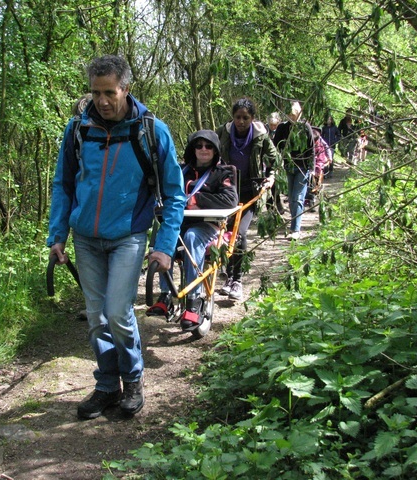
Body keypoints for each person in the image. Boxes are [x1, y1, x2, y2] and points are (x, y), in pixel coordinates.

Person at [47, 55, 186, 420]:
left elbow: (174, 195)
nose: (103, 101)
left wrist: (164, 246)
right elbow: (63, 184)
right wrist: (57, 235)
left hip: (128, 236)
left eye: (110, 92)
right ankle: (107, 384)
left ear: (126, 88)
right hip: (86, 238)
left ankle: (134, 380)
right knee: (96, 317)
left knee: (117, 313)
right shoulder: (79, 129)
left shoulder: (152, 130)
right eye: (96, 93)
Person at [147, 130, 238, 329]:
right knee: (166, 236)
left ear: (215, 150)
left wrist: (197, 200)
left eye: (208, 146)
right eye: (199, 146)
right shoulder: (180, 171)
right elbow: (165, 196)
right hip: (180, 225)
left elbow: (230, 200)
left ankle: (194, 301)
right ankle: (166, 296)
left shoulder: (224, 172)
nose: (203, 150)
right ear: (192, 149)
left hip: (209, 227)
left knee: (191, 236)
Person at [216, 97, 279, 301]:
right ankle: (227, 276)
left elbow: (275, 159)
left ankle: (237, 280)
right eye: (237, 117)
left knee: (240, 234)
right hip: (226, 192)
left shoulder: (260, 135)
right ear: (232, 117)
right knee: (223, 234)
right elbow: (209, 152)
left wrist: (271, 176)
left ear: (252, 118)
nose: (241, 122)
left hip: (249, 192)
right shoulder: (223, 133)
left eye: (245, 118)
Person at [273, 100, 314, 240]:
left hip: (302, 167)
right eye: (289, 114)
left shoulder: (305, 127)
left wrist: (312, 168)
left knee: (297, 198)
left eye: (294, 114)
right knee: (291, 198)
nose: (291, 117)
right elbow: (274, 146)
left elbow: (311, 148)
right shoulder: (282, 128)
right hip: (288, 166)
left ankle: (295, 229)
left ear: (299, 114)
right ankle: (293, 222)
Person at [304, 126, 332, 211]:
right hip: (309, 164)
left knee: (316, 183)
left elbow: (327, 148)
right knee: (308, 182)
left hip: (319, 164)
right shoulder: (307, 140)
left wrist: (329, 158)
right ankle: (307, 199)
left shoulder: (321, 141)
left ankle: (312, 200)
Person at [265, 112, 284, 213]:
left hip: (277, 162)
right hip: (265, 163)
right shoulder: (264, 131)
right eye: (271, 124)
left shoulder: (281, 130)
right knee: (266, 185)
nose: (273, 127)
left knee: (276, 186)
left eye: (274, 125)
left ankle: (278, 203)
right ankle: (270, 208)